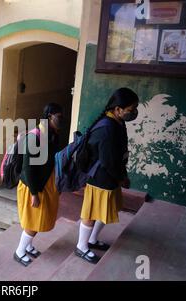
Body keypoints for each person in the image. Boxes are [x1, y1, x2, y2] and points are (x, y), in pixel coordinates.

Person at [74, 87, 139, 264]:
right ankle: (81, 246)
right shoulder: (106, 129)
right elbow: (108, 161)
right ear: (118, 109)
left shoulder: (117, 122)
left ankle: (92, 240)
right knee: (91, 213)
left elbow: (118, 155)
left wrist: (121, 175)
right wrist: (121, 177)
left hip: (111, 176)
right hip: (100, 178)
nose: (133, 112)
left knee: (104, 210)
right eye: (131, 109)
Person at [14, 103, 65, 266]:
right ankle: (19, 251)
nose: (61, 119)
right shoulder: (34, 137)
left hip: (45, 184)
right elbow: (28, 169)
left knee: (37, 219)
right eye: (59, 116)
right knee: (33, 221)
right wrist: (34, 194)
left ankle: (27, 246)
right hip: (33, 187)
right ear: (49, 116)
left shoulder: (52, 134)